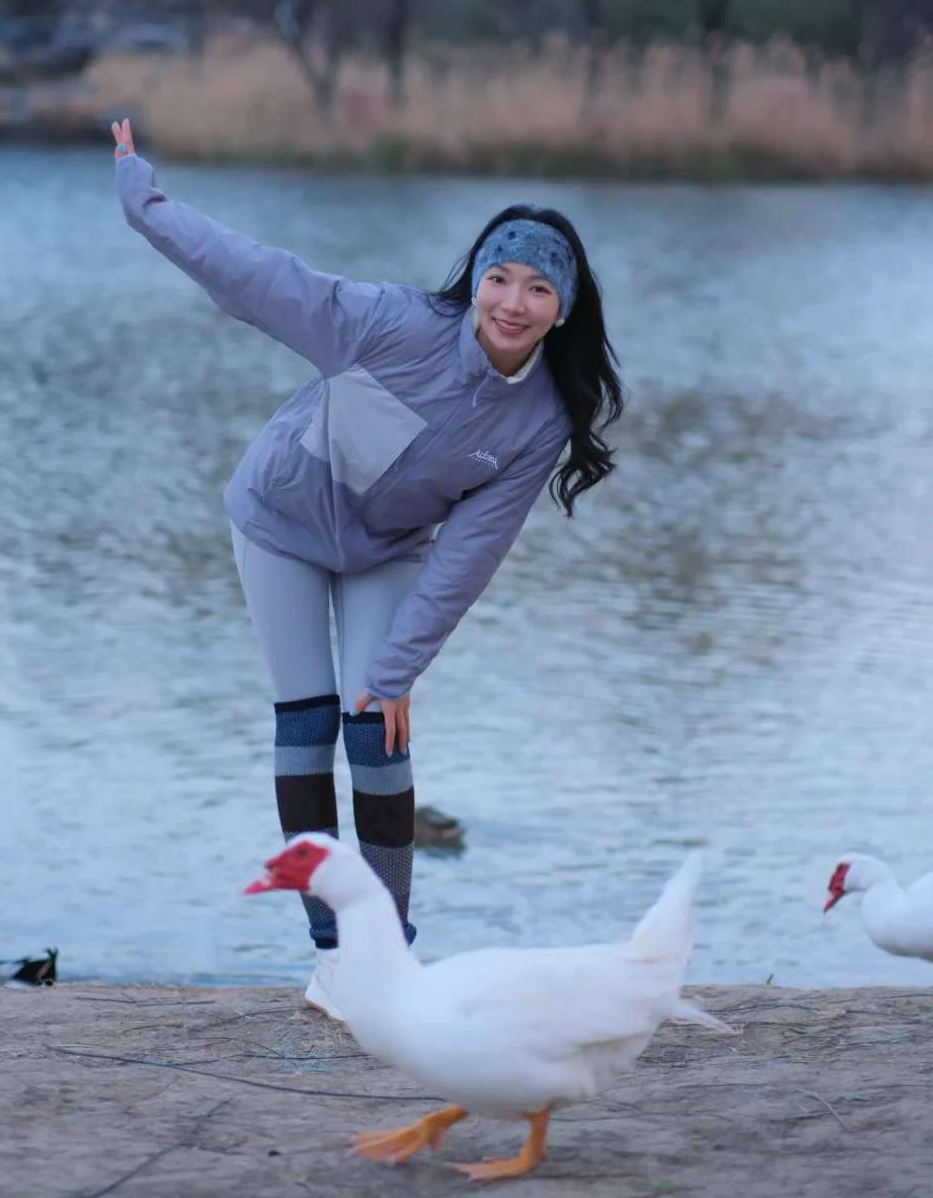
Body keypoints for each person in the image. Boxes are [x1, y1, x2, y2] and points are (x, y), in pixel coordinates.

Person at [110, 118, 623, 1019]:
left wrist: (396, 672)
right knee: (306, 722)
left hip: (386, 549)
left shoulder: (541, 418)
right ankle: (331, 958)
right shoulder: (391, 324)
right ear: (475, 280)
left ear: (564, 307)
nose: (512, 301)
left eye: (538, 288)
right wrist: (145, 202)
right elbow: (258, 277)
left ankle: (386, 954)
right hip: (279, 522)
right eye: (498, 278)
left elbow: (468, 556)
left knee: (377, 726)